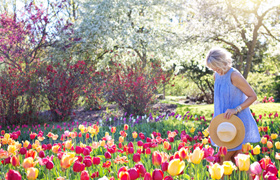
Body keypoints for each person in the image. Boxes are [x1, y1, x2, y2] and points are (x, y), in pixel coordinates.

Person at [205, 48, 261, 172]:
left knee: (222, 161)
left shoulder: (234, 76)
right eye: (212, 68)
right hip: (223, 125)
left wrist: (236, 109)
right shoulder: (217, 76)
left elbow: (253, 96)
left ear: (223, 62)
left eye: (216, 66)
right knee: (239, 161)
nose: (215, 70)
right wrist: (215, 120)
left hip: (236, 124)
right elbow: (219, 102)